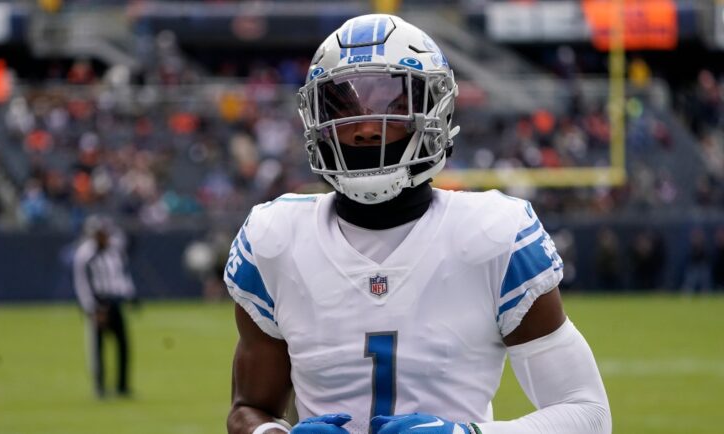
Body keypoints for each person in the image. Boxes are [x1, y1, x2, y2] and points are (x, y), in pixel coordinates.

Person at [225, 15, 610, 434]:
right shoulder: (276, 239)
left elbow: (587, 413)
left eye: (391, 102)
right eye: (344, 106)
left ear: (433, 111)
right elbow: (249, 408)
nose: (368, 127)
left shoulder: (495, 236)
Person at [73, 216, 137, 398]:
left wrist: (129, 295)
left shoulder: (114, 249)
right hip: (97, 303)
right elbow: (82, 283)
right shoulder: (85, 254)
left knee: (123, 344)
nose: (105, 237)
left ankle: (122, 386)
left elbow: (120, 275)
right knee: (97, 347)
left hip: (114, 300)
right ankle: (99, 386)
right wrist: (91, 308)